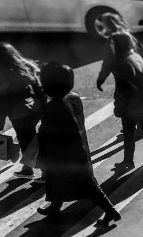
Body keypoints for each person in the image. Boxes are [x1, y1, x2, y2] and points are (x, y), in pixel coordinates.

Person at [35, 62, 121, 224]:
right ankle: (55, 206)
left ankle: (111, 211)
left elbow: (48, 134)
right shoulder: (69, 99)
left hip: (65, 156)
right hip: (75, 152)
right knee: (56, 181)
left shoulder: (53, 108)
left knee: (88, 186)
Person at [105, 33, 143, 171]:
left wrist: (119, 107)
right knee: (133, 132)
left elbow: (123, 88)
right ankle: (128, 161)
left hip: (132, 104)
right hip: (142, 99)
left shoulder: (121, 64)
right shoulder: (134, 56)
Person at [0, 42, 42, 179]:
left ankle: (46, 174)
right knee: (29, 140)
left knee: (27, 143)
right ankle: (27, 168)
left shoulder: (3, 75)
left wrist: (0, 126)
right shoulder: (25, 66)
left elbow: (3, 103)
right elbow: (39, 88)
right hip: (35, 108)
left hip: (20, 114)